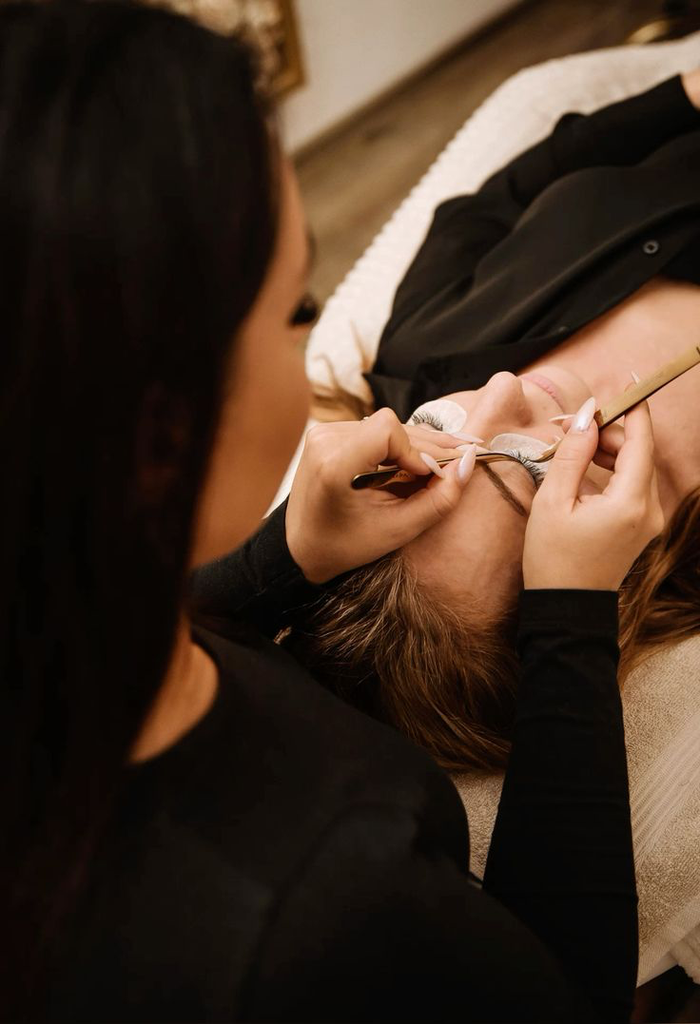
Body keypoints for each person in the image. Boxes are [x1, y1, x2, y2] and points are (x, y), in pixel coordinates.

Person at [0, 3, 662, 1021]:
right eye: (295, 309)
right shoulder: (325, 913)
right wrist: (570, 611)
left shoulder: (79, 622)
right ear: (164, 436)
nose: (497, 392)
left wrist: (283, 557)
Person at [285, 70, 700, 985]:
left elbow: (508, 192)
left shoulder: (426, 345)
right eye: (526, 468)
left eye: (438, 436)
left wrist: (680, 98)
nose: (502, 394)